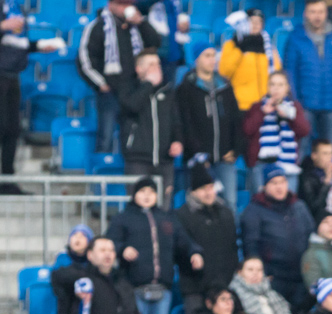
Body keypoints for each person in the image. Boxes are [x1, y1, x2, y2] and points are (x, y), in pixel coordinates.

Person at [0, 0, 63, 197]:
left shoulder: (17, 7)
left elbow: (15, 43)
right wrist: (1, 26)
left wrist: (39, 46)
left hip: (12, 74)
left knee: (13, 129)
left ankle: (7, 181)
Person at [108, 177, 199, 314]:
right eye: (142, 191)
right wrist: (122, 249)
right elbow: (110, 242)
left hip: (162, 289)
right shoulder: (123, 219)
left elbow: (183, 241)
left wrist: (194, 253)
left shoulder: (167, 218)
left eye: (151, 192)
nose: (147, 196)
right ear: (134, 194)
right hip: (134, 288)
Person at [78, 0, 160, 156]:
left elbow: (155, 43)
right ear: (111, 5)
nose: (126, 8)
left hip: (135, 91)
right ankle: (101, 177)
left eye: (128, 4)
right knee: (106, 137)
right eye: (121, 4)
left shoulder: (136, 27)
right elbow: (85, 60)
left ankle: (130, 175)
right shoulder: (98, 27)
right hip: (110, 93)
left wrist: (141, 23)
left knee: (135, 137)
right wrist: (101, 84)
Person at [283, 0, 332, 146]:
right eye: (313, 12)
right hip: (304, 105)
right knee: (302, 147)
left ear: (326, 13)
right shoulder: (295, 39)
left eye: (320, 12)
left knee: (329, 149)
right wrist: (294, 100)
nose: (317, 16)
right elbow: (290, 72)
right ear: (305, 14)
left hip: (330, 104)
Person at [239, 167, 317, 309]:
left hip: (301, 275)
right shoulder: (254, 210)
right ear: (265, 186)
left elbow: (311, 236)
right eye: (274, 183)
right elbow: (251, 245)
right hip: (274, 278)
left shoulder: (299, 206)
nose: (279, 187)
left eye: (282, 182)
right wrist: (262, 273)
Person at [176, 49, 245, 209]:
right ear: (196, 59)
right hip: (198, 160)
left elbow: (236, 120)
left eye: (214, 56)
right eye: (207, 56)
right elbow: (185, 124)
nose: (212, 60)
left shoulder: (226, 87)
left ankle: (229, 235)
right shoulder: (186, 88)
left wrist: (235, 150)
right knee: (197, 204)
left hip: (225, 158)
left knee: (229, 202)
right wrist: (198, 153)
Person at [175, 164, 239, 314]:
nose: (208, 192)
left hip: (223, 287)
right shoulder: (182, 215)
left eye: (211, 187)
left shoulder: (225, 213)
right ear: (193, 191)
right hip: (194, 288)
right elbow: (179, 248)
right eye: (203, 188)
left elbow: (232, 248)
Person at [118, 52, 182, 201]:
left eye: (158, 64)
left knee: (164, 209)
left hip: (165, 160)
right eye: (151, 64)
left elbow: (176, 121)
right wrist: (148, 85)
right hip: (138, 160)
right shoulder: (128, 89)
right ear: (139, 69)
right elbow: (131, 106)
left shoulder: (168, 91)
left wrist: (177, 141)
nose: (156, 68)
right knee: (138, 207)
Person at [242, 72, 311, 189]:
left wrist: (290, 117)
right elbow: (247, 130)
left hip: (287, 164)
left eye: (280, 85)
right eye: (272, 84)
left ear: (287, 88)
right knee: (261, 202)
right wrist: (262, 113)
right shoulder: (257, 107)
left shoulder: (294, 107)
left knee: (289, 202)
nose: (276, 89)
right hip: (261, 164)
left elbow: (304, 131)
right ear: (267, 87)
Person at [220, 8, 282, 113]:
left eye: (259, 21)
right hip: (242, 104)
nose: (255, 24)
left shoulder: (269, 48)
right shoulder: (232, 45)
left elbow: (277, 73)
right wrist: (240, 49)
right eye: (252, 21)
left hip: (266, 104)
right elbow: (225, 71)